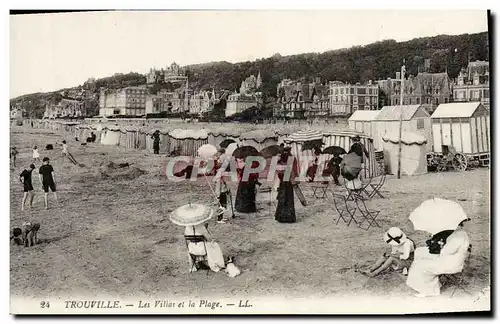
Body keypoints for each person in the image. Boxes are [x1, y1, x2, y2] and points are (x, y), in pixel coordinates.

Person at [406, 219, 471, 297]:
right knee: (420, 251)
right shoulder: (458, 233)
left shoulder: (457, 237)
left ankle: (428, 290)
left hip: (451, 263)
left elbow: (447, 251)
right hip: (449, 258)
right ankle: (420, 281)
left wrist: (441, 245)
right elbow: (448, 249)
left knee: (422, 265)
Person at [274, 147, 298, 223]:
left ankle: (281, 217)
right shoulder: (291, 158)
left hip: (284, 182)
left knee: (283, 199)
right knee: (288, 199)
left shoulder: (282, 159)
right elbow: (294, 171)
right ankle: (288, 217)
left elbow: (278, 171)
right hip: (288, 182)